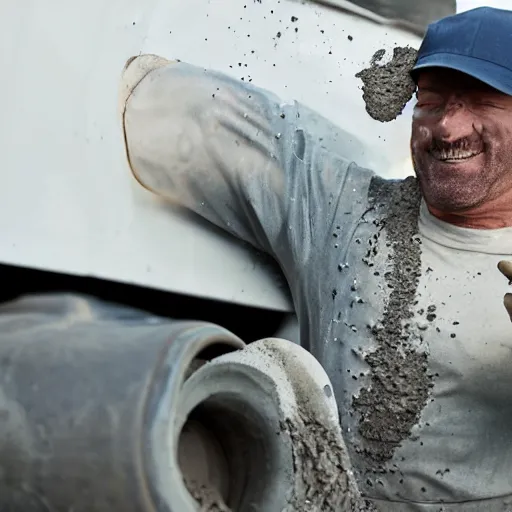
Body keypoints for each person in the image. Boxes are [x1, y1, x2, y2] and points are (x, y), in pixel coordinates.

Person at [120, 7, 512, 511]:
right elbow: (174, 115)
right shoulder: (348, 214)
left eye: (482, 101)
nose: (448, 127)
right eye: (431, 102)